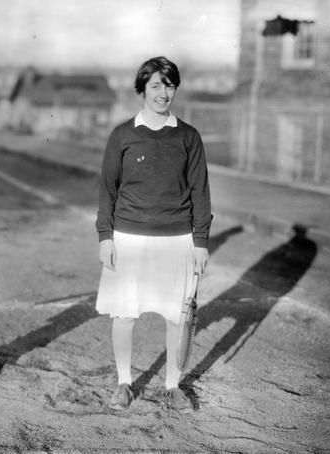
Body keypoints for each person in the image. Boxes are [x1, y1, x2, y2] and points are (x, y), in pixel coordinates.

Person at [95, 56, 211, 413]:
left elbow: (200, 192)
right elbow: (107, 190)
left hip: (176, 241)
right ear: (142, 89)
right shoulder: (123, 135)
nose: (164, 93)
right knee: (124, 316)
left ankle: (172, 386)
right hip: (129, 238)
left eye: (170, 85)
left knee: (176, 317)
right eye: (156, 86)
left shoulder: (188, 136)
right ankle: (124, 383)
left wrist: (201, 241)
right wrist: (105, 236)